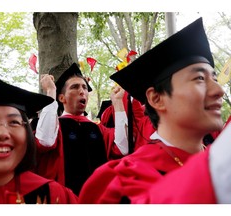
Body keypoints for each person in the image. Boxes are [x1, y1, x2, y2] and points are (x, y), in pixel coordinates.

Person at [78, 17, 230, 204]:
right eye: (199, 78)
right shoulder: (121, 181)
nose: (219, 90)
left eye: (214, 79)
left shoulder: (223, 162)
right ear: (156, 98)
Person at [35, 63, 128, 196]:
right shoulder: (55, 127)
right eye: (75, 87)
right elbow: (45, 142)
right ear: (61, 98)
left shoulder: (97, 128)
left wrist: (118, 102)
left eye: (84, 87)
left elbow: (123, 148)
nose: (82, 91)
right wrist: (50, 91)